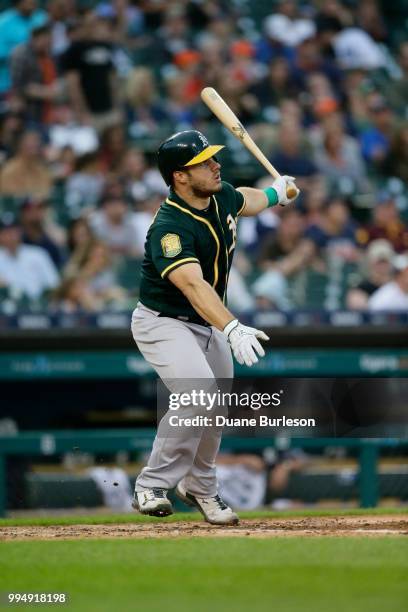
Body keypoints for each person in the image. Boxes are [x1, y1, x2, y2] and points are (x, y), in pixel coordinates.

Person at [130, 129, 299, 525]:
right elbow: (192, 285)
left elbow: (247, 200)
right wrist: (233, 327)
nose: (214, 164)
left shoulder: (217, 194)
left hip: (207, 322)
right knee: (198, 394)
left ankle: (201, 488)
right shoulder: (170, 227)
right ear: (180, 177)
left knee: (215, 408)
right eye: (203, 162)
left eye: (212, 157)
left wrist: (276, 192)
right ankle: (152, 484)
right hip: (163, 322)